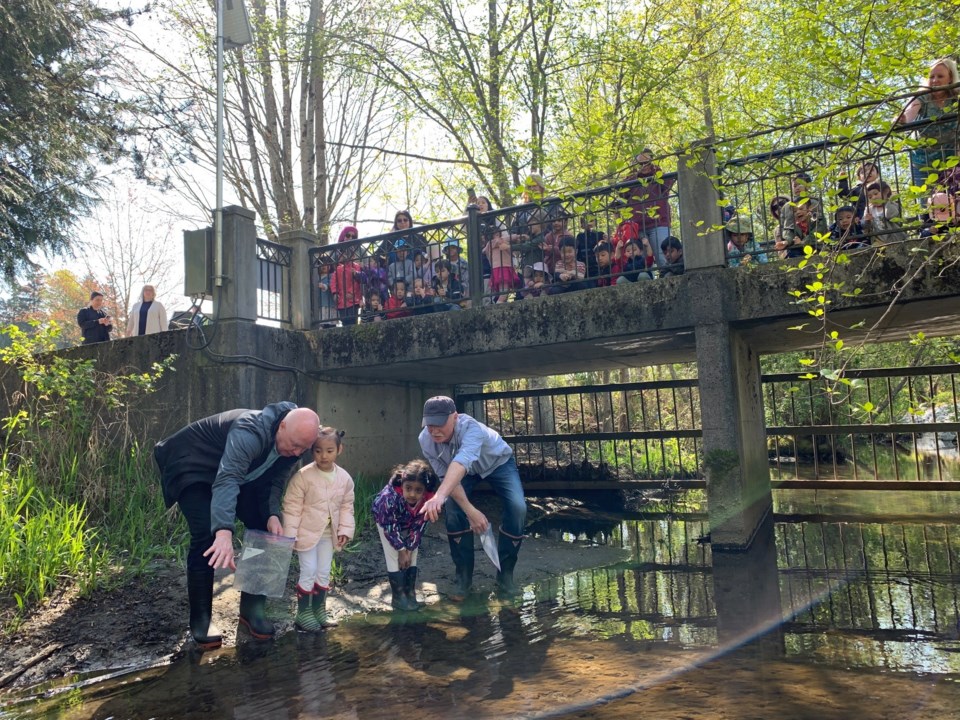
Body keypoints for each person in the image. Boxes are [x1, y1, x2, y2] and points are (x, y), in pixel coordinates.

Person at [153, 403, 320, 647]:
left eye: (303, 449)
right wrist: (223, 530)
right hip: (194, 465)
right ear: (282, 425)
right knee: (206, 536)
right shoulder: (250, 431)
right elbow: (227, 478)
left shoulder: (294, 445)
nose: (297, 453)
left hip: (238, 475)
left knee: (265, 526)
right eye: (295, 445)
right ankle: (201, 620)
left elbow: (274, 482)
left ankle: (252, 612)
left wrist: (272, 514)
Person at [419, 396, 527, 600]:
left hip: (497, 463)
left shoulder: (472, 429)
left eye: (439, 423)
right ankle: (463, 578)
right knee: (453, 511)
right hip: (460, 473)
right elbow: (449, 476)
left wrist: (438, 496)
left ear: (455, 417)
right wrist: (471, 511)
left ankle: (505, 576)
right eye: (429, 424)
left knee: (517, 507)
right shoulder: (425, 440)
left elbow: (462, 461)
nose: (433, 430)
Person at [282, 427, 354, 632]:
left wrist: (345, 530)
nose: (324, 456)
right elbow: (292, 506)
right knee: (309, 570)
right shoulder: (303, 476)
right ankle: (303, 614)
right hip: (306, 534)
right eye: (318, 451)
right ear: (311, 451)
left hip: (328, 536)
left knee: (323, 572)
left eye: (329, 451)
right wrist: (290, 535)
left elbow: (347, 505)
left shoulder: (344, 478)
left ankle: (319, 610)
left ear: (339, 450)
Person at [371, 459, 439, 610]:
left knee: (413, 554)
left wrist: (409, 548)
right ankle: (398, 598)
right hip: (387, 521)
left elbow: (420, 524)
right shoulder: (388, 498)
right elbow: (390, 526)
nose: (412, 494)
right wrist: (401, 550)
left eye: (418, 490)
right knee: (393, 554)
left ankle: (410, 593)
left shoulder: (429, 499)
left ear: (425, 490)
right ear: (402, 484)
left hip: (410, 520)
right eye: (408, 488)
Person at [897, 58, 960, 187]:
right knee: (928, 203)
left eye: (940, 76)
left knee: (954, 203)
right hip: (923, 163)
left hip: (952, 161)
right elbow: (910, 111)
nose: (935, 80)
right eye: (932, 77)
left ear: (950, 78)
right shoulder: (923, 97)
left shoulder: (956, 98)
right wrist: (902, 119)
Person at [622, 149, 675, 267]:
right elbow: (621, 193)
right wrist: (635, 174)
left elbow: (667, 185)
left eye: (647, 163)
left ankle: (668, 276)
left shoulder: (659, 175)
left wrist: (655, 170)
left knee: (663, 256)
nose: (644, 166)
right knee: (642, 261)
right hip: (638, 226)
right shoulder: (632, 178)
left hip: (658, 223)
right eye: (641, 163)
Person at [330, 228, 364, 326]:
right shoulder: (338, 269)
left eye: (353, 237)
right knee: (344, 321)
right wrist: (335, 293)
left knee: (353, 320)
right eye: (348, 236)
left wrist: (353, 293)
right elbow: (333, 282)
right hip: (342, 300)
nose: (346, 256)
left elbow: (360, 281)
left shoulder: (356, 267)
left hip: (354, 300)